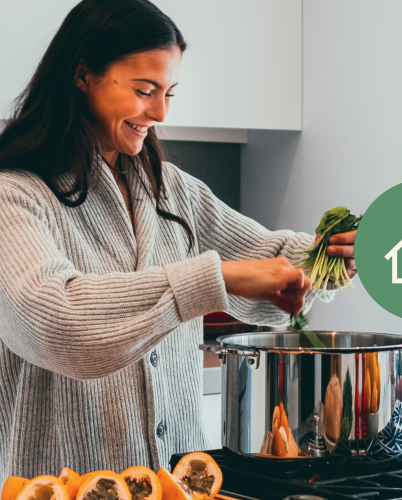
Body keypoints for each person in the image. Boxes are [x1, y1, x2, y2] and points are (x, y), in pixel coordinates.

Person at [0, 0, 355, 478]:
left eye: (169, 92)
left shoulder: (170, 188)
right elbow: (58, 322)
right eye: (145, 90)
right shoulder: (15, 194)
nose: (160, 111)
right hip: (61, 482)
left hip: (182, 483)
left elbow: (269, 258)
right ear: (82, 75)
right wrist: (212, 279)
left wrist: (333, 254)